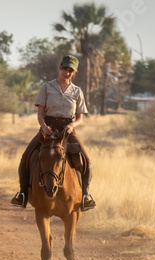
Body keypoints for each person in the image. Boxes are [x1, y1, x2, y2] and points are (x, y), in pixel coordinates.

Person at [11, 55, 96, 211]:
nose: (66, 72)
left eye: (70, 70)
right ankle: (22, 194)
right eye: (64, 69)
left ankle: (85, 196)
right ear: (59, 68)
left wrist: (72, 126)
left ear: (74, 72)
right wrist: (43, 126)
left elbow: (80, 118)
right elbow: (40, 113)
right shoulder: (46, 87)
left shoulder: (77, 91)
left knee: (87, 161)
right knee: (25, 157)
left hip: (67, 130)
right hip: (48, 128)